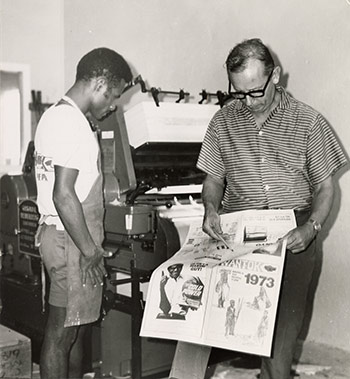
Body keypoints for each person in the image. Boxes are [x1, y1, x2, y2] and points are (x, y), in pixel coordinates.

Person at [169, 38, 347, 379]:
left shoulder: (308, 121)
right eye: (238, 93)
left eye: (255, 92)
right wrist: (210, 208)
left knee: (279, 342)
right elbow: (214, 180)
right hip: (237, 234)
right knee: (204, 326)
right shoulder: (223, 122)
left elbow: (326, 186)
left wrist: (311, 228)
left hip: (294, 234)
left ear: (275, 76)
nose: (247, 102)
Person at [34, 47, 132, 379]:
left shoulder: (54, 115)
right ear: (101, 83)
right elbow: (64, 195)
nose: (114, 104)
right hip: (71, 242)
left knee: (73, 330)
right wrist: (91, 251)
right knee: (61, 334)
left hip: (60, 236)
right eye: (115, 95)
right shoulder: (72, 122)